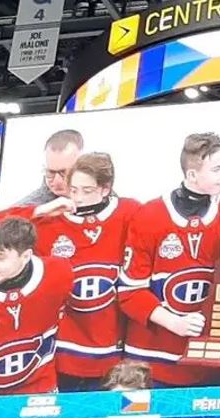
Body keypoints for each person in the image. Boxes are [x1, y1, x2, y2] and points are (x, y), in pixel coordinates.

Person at [118, 133, 220, 387]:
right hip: (151, 362)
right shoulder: (149, 216)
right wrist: (173, 322)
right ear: (191, 175)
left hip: (206, 361)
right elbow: (129, 293)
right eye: (217, 169)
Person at [32, 153, 141, 392]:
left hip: (113, 354)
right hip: (65, 354)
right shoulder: (51, 221)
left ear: (105, 189)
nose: (78, 198)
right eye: (73, 190)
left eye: (87, 190)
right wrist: (39, 210)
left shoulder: (129, 212)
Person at [0, 218, 73, 396]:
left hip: (41, 392)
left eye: (0, 257)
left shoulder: (58, 272)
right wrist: (37, 211)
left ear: (26, 256)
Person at [0, 130, 84, 221]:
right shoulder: (29, 208)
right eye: (51, 172)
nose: (57, 181)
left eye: (64, 173)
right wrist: (37, 212)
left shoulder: (98, 195)